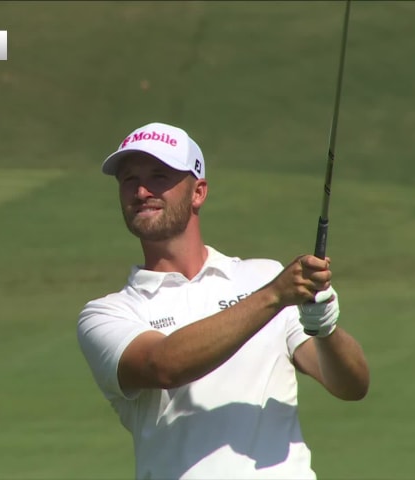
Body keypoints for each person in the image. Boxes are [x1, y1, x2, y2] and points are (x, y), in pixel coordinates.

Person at [76, 122, 370, 479]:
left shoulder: (262, 275)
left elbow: (352, 386)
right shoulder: (108, 313)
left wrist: (325, 329)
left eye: (158, 176)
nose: (141, 190)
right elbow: (163, 366)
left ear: (198, 192)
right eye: (128, 179)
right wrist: (275, 296)